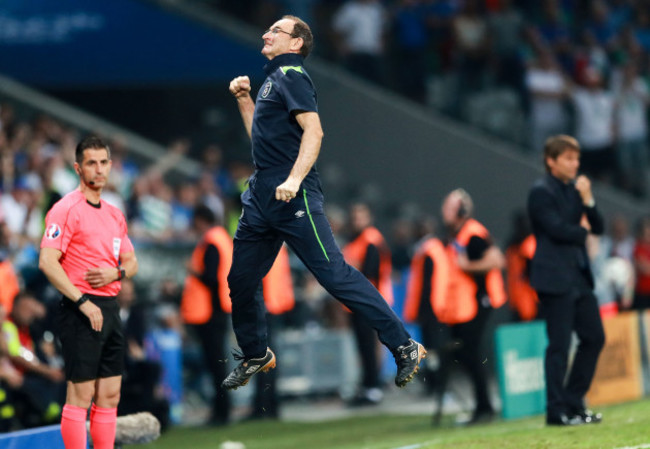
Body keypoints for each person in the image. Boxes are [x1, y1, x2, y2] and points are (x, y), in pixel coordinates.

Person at [224, 15, 425, 391]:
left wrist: (295, 180)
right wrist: (243, 100)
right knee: (240, 279)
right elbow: (261, 144)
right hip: (263, 195)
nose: (266, 33)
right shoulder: (272, 80)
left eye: (276, 31)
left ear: (296, 43)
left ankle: (403, 344)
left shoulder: (292, 75)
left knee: (334, 275)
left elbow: (314, 131)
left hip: (292, 192)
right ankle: (255, 353)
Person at [38, 136, 138, 449]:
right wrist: (81, 301)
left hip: (109, 307)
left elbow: (132, 262)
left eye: (104, 162)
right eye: (91, 163)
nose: (99, 169)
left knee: (109, 395)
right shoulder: (65, 209)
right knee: (80, 395)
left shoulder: (114, 213)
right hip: (80, 309)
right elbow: (47, 261)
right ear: (78, 168)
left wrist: (116, 272)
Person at [527, 134, 605, 426]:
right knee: (559, 345)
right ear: (551, 161)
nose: (576, 164)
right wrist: (583, 232)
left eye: (577, 159)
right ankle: (555, 410)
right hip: (554, 278)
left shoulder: (576, 191)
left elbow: (598, 225)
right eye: (569, 158)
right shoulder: (540, 191)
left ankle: (574, 402)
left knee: (594, 337)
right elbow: (557, 228)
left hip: (578, 277)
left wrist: (589, 200)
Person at [437, 188, 506, 424]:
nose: (443, 211)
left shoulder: (472, 234)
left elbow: (497, 259)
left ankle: (484, 406)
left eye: (449, 206)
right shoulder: (456, 235)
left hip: (479, 301)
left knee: (471, 351)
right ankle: (482, 405)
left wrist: (467, 266)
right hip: (463, 305)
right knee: (465, 353)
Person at [180, 204, 233, 426]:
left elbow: (211, 278)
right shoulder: (222, 238)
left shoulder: (211, 242)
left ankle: (221, 412)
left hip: (211, 312)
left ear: (201, 220)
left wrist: (193, 272)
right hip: (219, 308)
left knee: (216, 365)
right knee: (218, 364)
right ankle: (222, 409)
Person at [342, 202, 393, 406]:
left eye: (361, 216)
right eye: (354, 217)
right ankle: (367, 385)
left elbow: (370, 271)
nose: (357, 221)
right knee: (362, 347)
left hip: (369, 301)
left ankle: (373, 388)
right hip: (356, 301)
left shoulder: (371, 239)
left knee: (369, 346)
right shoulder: (356, 240)